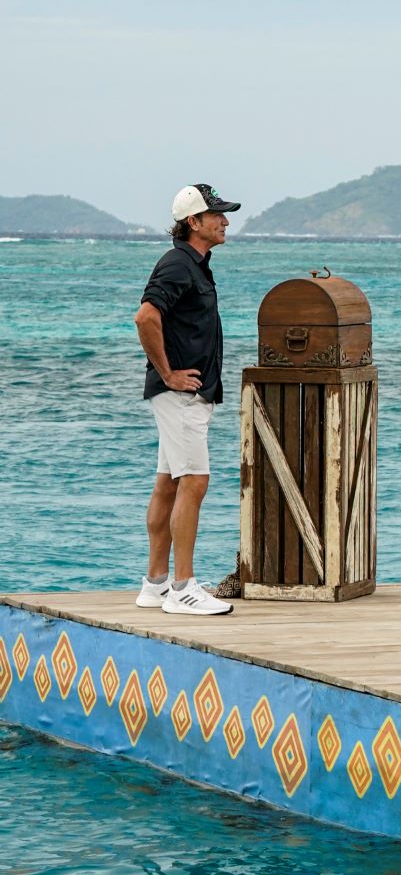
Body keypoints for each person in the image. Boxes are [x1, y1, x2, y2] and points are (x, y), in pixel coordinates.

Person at [133, 183, 241, 616]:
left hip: (187, 393)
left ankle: (155, 584)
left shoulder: (194, 263)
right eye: (216, 215)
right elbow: (146, 316)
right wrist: (168, 374)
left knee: (170, 482)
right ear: (193, 222)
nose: (226, 221)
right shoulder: (179, 264)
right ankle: (183, 589)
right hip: (181, 395)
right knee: (195, 481)